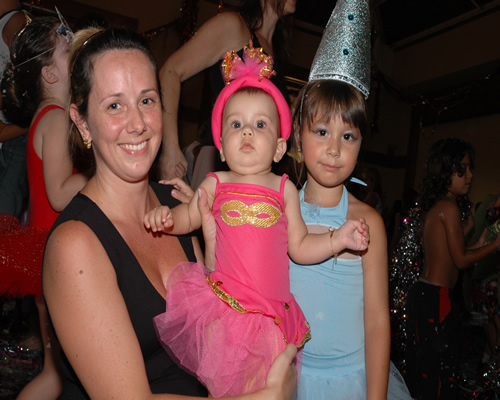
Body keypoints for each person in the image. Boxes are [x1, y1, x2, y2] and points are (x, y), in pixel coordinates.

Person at [43, 26, 298, 399]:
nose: (137, 124)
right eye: (114, 105)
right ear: (82, 123)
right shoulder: (75, 245)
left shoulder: (178, 203)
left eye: (147, 100)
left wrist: (217, 253)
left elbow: (218, 340)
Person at [145, 44, 370, 398]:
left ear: (279, 148)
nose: (247, 132)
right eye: (236, 124)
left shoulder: (284, 189)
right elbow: (188, 217)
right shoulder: (215, 183)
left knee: (268, 389)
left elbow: (299, 247)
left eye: (260, 124)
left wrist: (337, 239)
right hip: (225, 312)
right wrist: (166, 217)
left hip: (272, 320)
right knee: (227, 392)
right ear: (222, 146)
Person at [286, 0, 411, 398]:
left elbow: (376, 320)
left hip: (351, 382)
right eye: (322, 131)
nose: (335, 149)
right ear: (299, 134)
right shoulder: (280, 209)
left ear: (361, 144)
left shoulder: (368, 222)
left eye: (348, 136)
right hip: (291, 379)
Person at [1, 12, 90, 399]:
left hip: (48, 255)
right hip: (53, 258)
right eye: (67, 49)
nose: (76, 51)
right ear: (50, 74)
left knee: (55, 375)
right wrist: (101, 173)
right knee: (65, 375)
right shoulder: (55, 119)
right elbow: (58, 193)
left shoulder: (47, 116)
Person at [157, 0, 295, 182]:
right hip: (222, 163)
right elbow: (170, 71)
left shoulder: (274, 48)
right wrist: (170, 148)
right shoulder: (232, 26)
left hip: (262, 171)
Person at [405, 138, 500, 399]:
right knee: (437, 371)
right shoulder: (448, 208)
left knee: (430, 367)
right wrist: (495, 246)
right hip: (436, 298)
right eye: (463, 169)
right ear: (446, 171)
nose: (470, 175)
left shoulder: (439, 206)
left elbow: (456, 252)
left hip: (428, 295)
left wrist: (482, 241)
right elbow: (461, 260)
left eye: (470, 169)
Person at [0, 0, 30, 217]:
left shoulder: (17, 21)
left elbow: (27, 85)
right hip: (9, 131)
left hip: (13, 134)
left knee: (5, 204)